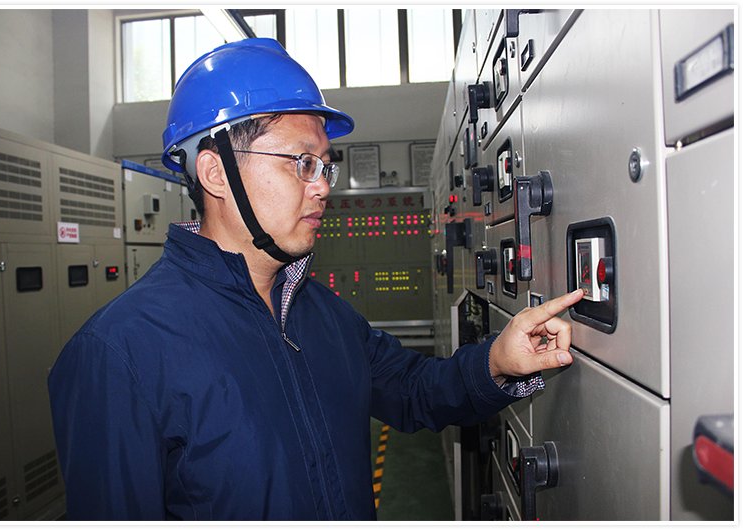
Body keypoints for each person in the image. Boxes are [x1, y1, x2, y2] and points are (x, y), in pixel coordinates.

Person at [48, 38, 584, 521]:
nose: (323, 186)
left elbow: (414, 390)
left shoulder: (320, 313)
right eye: (301, 162)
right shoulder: (119, 353)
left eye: (324, 165)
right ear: (216, 173)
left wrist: (498, 362)